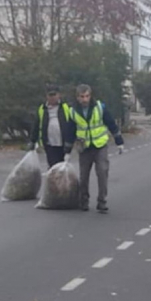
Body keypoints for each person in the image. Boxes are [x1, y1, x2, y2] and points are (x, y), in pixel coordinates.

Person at [69, 84, 124, 213]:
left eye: (87, 96)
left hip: (100, 145)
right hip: (85, 147)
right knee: (84, 176)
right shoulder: (73, 111)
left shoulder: (99, 108)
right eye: (82, 97)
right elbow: (70, 131)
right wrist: (67, 151)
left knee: (102, 173)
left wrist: (119, 141)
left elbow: (111, 124)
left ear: (90, 95)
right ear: (77, 97)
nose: (85, 99)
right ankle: (84, 201)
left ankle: (102, 201)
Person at [28, 84, 74, 168]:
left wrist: (70, 141)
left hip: (63, 143)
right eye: (50, 95)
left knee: (63, 167)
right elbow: (36, 126)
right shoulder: (42, 109)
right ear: (46, 96)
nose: (52, 97)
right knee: (53, 166)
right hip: (49, 144)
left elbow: (72, 125)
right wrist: (32, 141)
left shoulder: (66, 107)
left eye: (54, 94)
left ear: (59, 95)